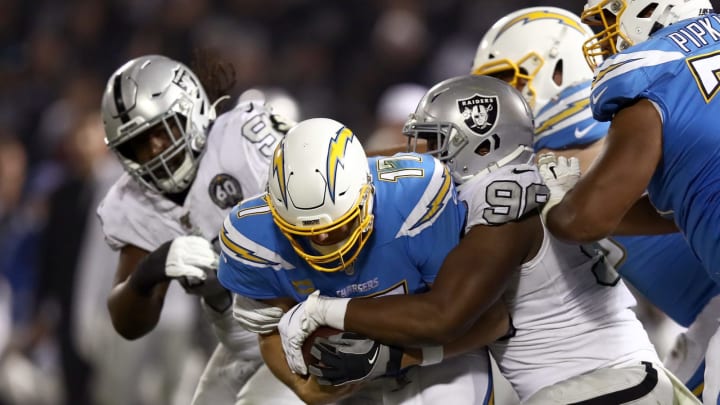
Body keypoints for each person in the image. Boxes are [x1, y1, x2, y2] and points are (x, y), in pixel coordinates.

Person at [275, 75, 700, 404]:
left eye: (433, 142)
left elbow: (442, 316)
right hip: (625, 380)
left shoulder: (498, 199)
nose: (420, 155)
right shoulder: (527, 181)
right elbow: (497, 319)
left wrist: (326, 309)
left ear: (481, 144)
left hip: (594, 387)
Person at [469, 6, 720, 398]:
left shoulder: (640, 102)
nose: (491, 106)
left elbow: (582, 217)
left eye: (506, 81)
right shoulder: (682, 92)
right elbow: (676, 209)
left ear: (557, 72)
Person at [217, 117, 496, 405]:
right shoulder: (252, 237)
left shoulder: (417, 199)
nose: (324, 242)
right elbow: (271, 333)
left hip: (433, 354)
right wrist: (302, 387)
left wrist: (389, 358)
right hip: (334, 368)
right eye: (304, 233)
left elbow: (489, 319)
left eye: (338, 225)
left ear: (367, 195)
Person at [97, 54, 302, 404]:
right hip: (240, 347)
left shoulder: (244, 140)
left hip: (307, 330)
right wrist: (151, 270)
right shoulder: (135, 203)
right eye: (139, 143)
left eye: (162, 130)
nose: (155, 149)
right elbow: (128, 323)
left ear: (191, 110)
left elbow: (334, 193)